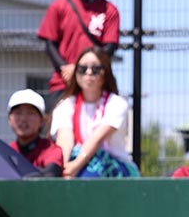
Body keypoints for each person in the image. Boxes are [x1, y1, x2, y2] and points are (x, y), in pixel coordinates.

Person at [50, 47, 138, 178]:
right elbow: (65, 140)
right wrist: (64, 168)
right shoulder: (65, 105)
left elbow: (97, 139)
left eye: (95, 69)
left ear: (105, 73)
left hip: (113, 166)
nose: (89, 73)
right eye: (82, 69)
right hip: (76, 163)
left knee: (95, 166)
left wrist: (75, 166)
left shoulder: (117, 103)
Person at [36, 0, 120, 100]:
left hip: (96, 85)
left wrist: (80, 69)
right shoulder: (58, 6)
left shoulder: (109, 10)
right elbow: (50, 45)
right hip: (63, 83)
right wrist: (65, 69)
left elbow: (109, 48)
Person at [6, 90, 63, 177]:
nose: (23, 119)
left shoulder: (50, 149)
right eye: (18, 113)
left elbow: (51, 173)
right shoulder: (7, 151)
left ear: (42, 120)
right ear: (9, 119)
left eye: (30, 113)